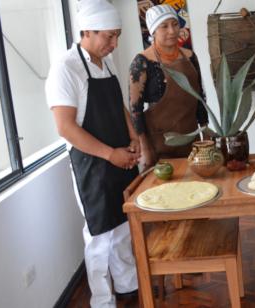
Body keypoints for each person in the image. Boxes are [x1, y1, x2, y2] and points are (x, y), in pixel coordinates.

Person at [44, 0, 140, 307]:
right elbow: (66, 128)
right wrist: (111, 154)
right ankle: (102, 300)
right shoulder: (65, 68)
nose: (114, 44)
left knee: (123, 226)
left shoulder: (105, 62)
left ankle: (127, 285)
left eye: (117, 36)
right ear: (87, 30)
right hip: (92, 164)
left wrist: (133, 135)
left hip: (119, 156)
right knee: (100, 236)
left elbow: (119, 105)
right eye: (108, 36)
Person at [129, 4, 208, 168]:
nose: (172, 31)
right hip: (159, 145)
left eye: (175, 24)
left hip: (191, 140)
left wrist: (205, 133)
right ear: (153, 31)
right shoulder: (142, 62)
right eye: (164, 26)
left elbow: (199, 97)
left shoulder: (190, 56)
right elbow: (135, 109)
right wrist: (145, 147)